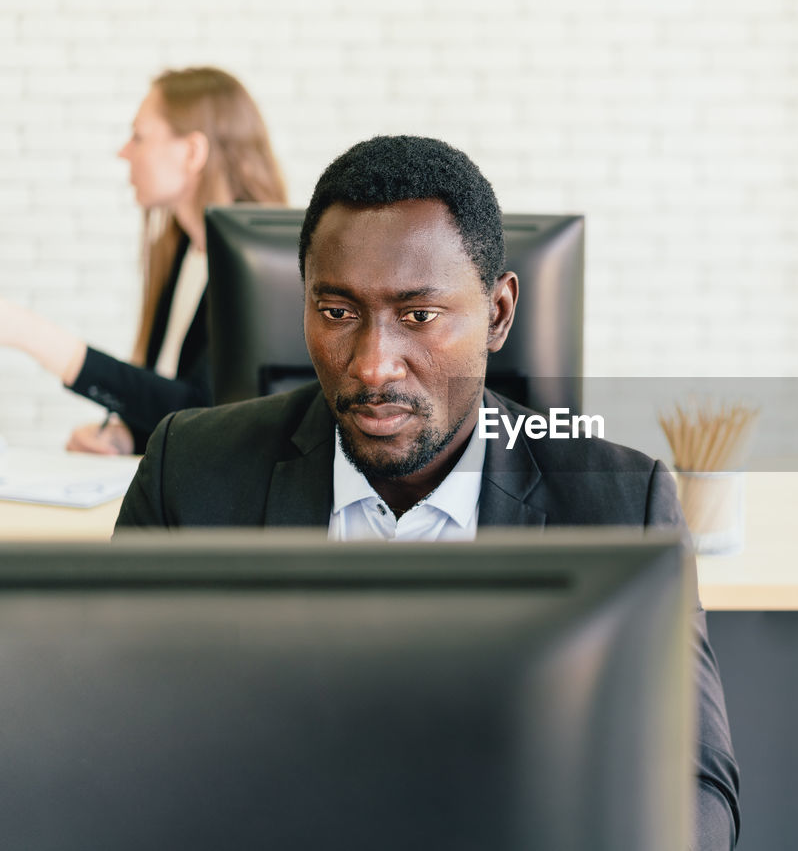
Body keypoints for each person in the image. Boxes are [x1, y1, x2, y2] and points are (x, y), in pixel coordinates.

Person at [115, 135, 741, 849]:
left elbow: (697, 783)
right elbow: (108, 739)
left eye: (418, 316)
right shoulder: (187, 474)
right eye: (339, 312)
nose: (374, 365)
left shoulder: (621, 504)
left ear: (499, 314)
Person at [0, 66, 286, 455]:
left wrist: (32, 335)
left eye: (139, 136)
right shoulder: (184, 249)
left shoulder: (257, 268)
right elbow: (178, 402)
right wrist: (128, 436)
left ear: (192, 152)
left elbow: (208, 414)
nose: (124, 151)